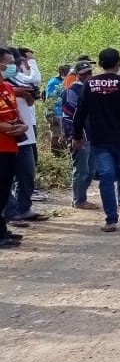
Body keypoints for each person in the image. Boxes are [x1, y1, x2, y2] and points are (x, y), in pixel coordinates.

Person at [73, 48, 120, 231]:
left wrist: (76, 136)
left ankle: (111, 219)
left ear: (100, 64)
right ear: (118, 64)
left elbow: (80, 112)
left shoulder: (89, 84)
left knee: (106, 177)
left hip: (99, 138)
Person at [4, 48, 47, 225]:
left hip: (25, 135)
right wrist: (17, 91)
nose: (13, 65)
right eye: (10, 62)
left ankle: (24, 208)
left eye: (15, 62)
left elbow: (30, 99)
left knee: (27, 173)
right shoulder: (5, 83)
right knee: (6, 178)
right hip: (7, 136)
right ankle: (10, 212)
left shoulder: (18, 78)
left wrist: (29, 94)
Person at [0, 47, 28, 248]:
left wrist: (22, 126)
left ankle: (2, 231)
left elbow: (14, 114)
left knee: (3, 191)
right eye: (8, 62)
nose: (12, 66)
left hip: (11, 145)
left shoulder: (7, 88)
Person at [63, 60, 98, 210]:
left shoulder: (93, 90)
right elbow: (67, 116)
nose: (87, 75)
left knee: (91, 170)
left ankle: (81, 197)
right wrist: (73, 136)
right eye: (84, 73)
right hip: (80, 136)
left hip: (92, 135)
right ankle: (78, 200)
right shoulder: (71, 91)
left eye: (89, 72)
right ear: (77, 74)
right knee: (81, 169)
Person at [46, 64, 70, 156]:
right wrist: (55, 114)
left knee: (63, 134)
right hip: (55, 112)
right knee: (56, 133)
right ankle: (56, 154)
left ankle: (63, 153)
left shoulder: (65, 81)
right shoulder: (54, 82)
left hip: (62, 111)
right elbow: (51, 99)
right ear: (62, 73)